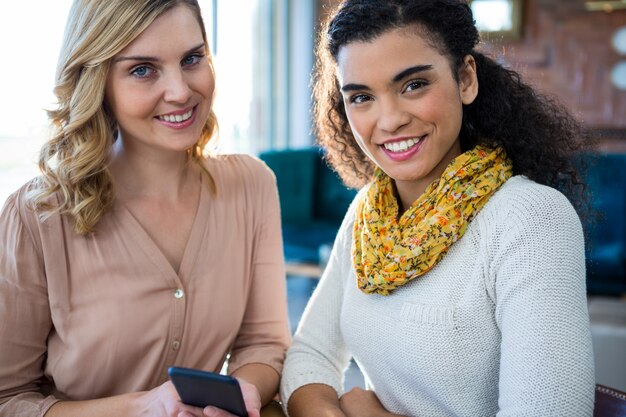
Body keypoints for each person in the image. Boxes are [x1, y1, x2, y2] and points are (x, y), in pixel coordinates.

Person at [280, 0, 595, 416]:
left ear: (465, 79)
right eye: (361, 97)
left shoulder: (532, 219)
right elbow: (309, 357)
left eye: (413, 85)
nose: (389, 120)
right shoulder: (369, 214)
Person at [0, 1, 291, 416]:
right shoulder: (36, 216)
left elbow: (264, 344)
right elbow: (8, 399)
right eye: (142, 70)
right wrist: (143, 407)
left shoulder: (251, 185)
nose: (180, 91)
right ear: (98, 82)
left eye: (192, 59)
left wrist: (237, 394)